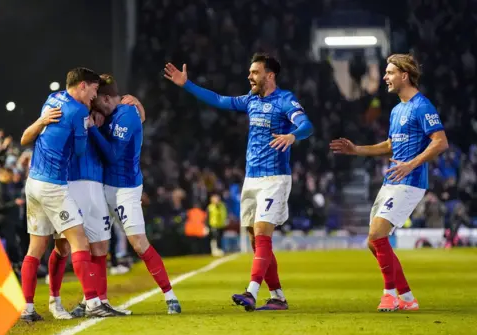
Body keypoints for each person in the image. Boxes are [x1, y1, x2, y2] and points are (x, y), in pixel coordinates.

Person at [164, 53, 314, 311]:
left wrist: (292, 135)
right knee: (256, 240)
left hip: (274, 178)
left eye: (255, 72)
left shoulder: (285, 100)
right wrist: (186, 84)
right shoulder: (251, 100)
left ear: (270, 75)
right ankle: (277, 296)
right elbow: (220, 100)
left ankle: (251, 292)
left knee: (263, 233)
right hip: (251, 178)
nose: (249, 76)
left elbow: (307, 125)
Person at [330, 53, 449, 311]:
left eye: (389, 72)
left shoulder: (422, 106)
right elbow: (390, 146)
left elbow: (440, 141)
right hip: (392, 180)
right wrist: (356, 150)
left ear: (404, 75)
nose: (385, 77)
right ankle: (407, 298)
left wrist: (411, 164)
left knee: (376, 235)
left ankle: (389, 294)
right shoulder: (397, 110)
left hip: (411, 180)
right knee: (373, 242)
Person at [21, 93, 146, 319]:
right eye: (92, 99)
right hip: (68, 185)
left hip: (92, 186)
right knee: (64, 247)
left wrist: (137, 105)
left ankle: (98, 300)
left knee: (98, 247)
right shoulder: (75, 117)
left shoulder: (103, 120)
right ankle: (64, 301)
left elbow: (134, 125)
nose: (94, 106)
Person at [86, 74, 182, 314]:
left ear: (107, 98)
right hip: (102, 186)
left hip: (125, 189)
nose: (95, 107)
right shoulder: (112, 112)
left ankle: (170, 296)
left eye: (97, 102)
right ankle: (99, 300)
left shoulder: (127, 114)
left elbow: (113, 155)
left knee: (138, 243)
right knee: (97, 244)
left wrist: (92, 129)